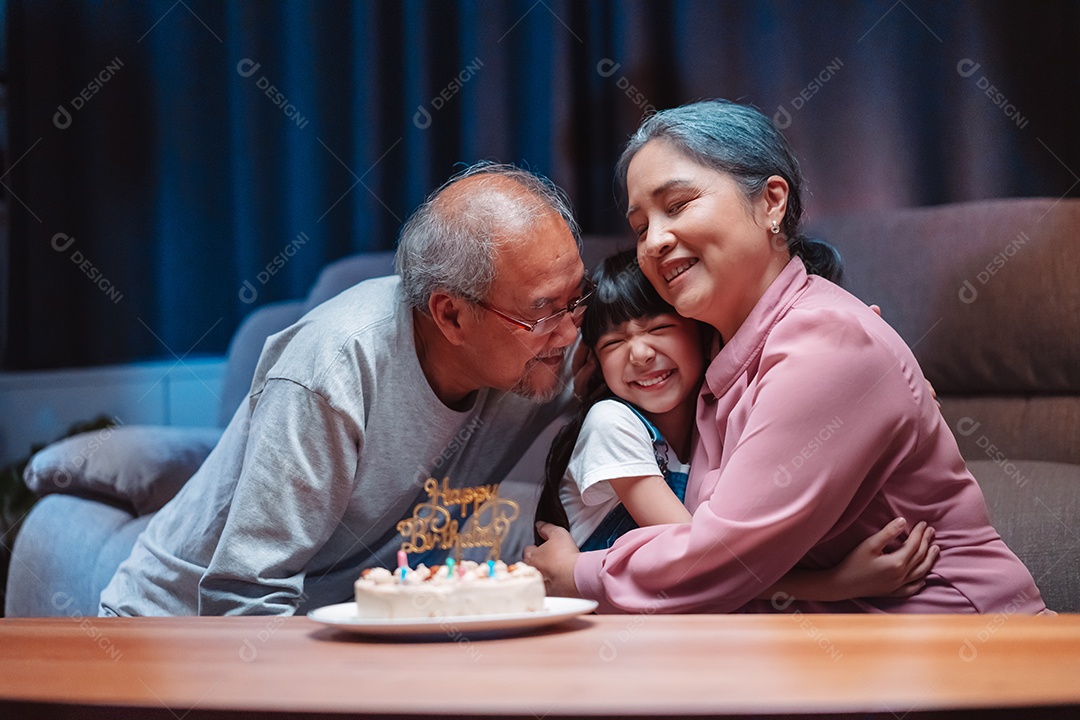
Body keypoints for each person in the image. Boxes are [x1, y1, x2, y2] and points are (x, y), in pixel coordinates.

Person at [525, 99, 1048, 615]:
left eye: (678, 204)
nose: (655, 241)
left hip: (959, 649)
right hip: (823, 652)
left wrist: (578, 574)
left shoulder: (828, 344)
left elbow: (717, 559)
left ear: (772, 202)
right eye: (640, 227)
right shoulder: (716, 354)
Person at [100, 162, 589, 616]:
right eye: (544, 312)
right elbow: (244, 597)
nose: (569, 334)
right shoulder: (333, 369)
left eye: (577, 300)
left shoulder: (541, 351)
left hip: (337, 626)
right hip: (178, 633)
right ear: (451, 315)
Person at [535, 248, 936, 601]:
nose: (639, 354)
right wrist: (834, 584)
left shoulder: (714, 420)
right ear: (597, 363)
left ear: (701, 335)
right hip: (610, 630)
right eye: (613, 343)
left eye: (659, 329)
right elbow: (702, 566)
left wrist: (882, 387)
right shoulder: (612, 423)